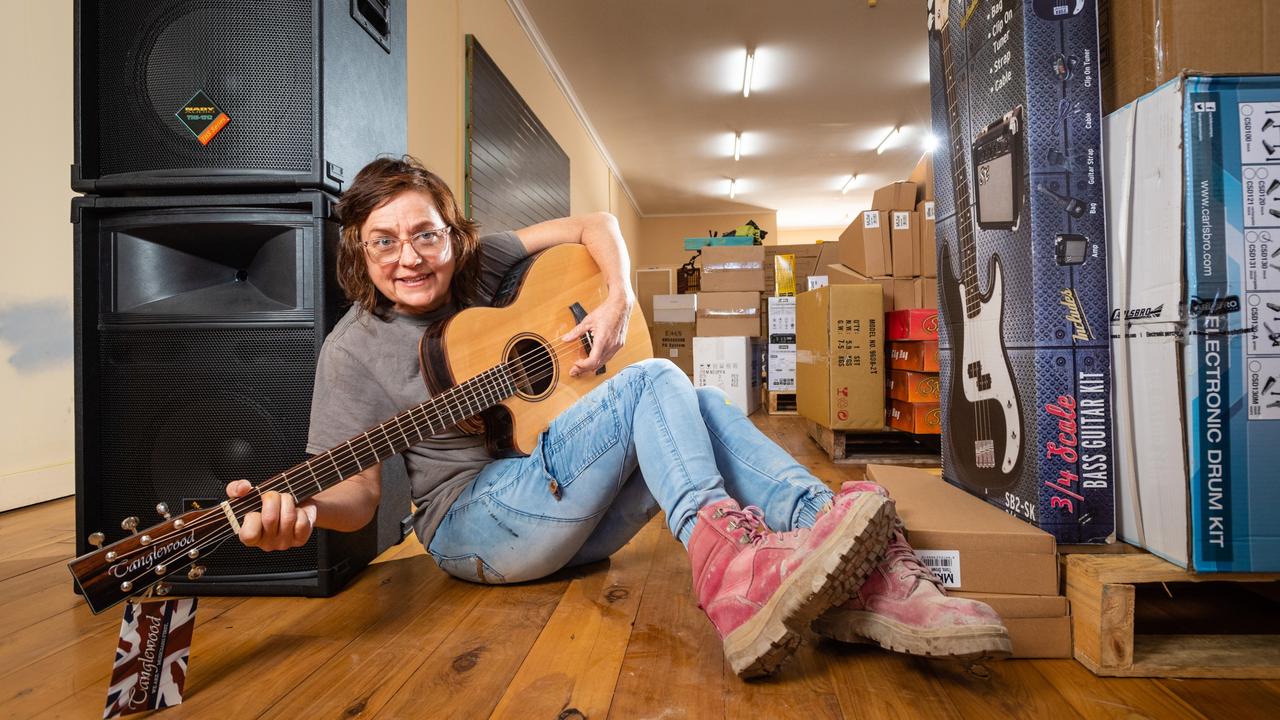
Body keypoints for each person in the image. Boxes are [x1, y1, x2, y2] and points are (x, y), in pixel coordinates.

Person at [225, 155, 1010, 677]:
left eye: (426, 234)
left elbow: (591, 224)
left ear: (452, 233)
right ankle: (734, 565)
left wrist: (618, 296)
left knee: (692, 402)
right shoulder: (350, 351)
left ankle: (862, 568)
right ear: (358, 254)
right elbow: (357, 495)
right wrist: (305, 514)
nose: (410, 257)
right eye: (384, 242)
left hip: (562, 502)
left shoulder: (483, 262)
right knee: (658, 385)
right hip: (476, 526)